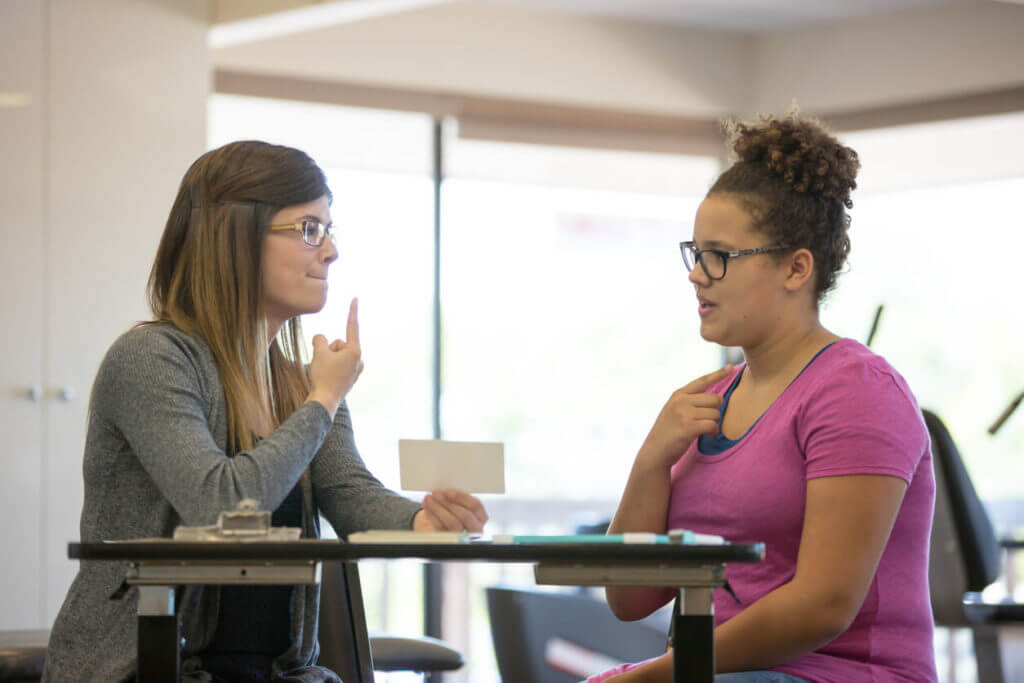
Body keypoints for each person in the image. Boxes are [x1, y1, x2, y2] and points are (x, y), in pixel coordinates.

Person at [42, 140, 488, 682]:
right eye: (308, 229)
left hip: (278, 674)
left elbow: (349, 495)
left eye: (328, 229)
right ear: (236, 239)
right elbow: (219, 502)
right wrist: (323, 400)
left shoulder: (301, 380)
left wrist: (425, 521)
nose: (329, 251)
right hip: (153, 670)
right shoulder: (152, 359)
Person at [591, 114, 936, 682]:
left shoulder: (856, 391)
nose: (697, 276)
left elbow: (823, 605)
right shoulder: (709, 399)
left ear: (796, 267)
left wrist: (656, 676)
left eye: (720, 256)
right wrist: (651, 459)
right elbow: (630, 599)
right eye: (694, 253)